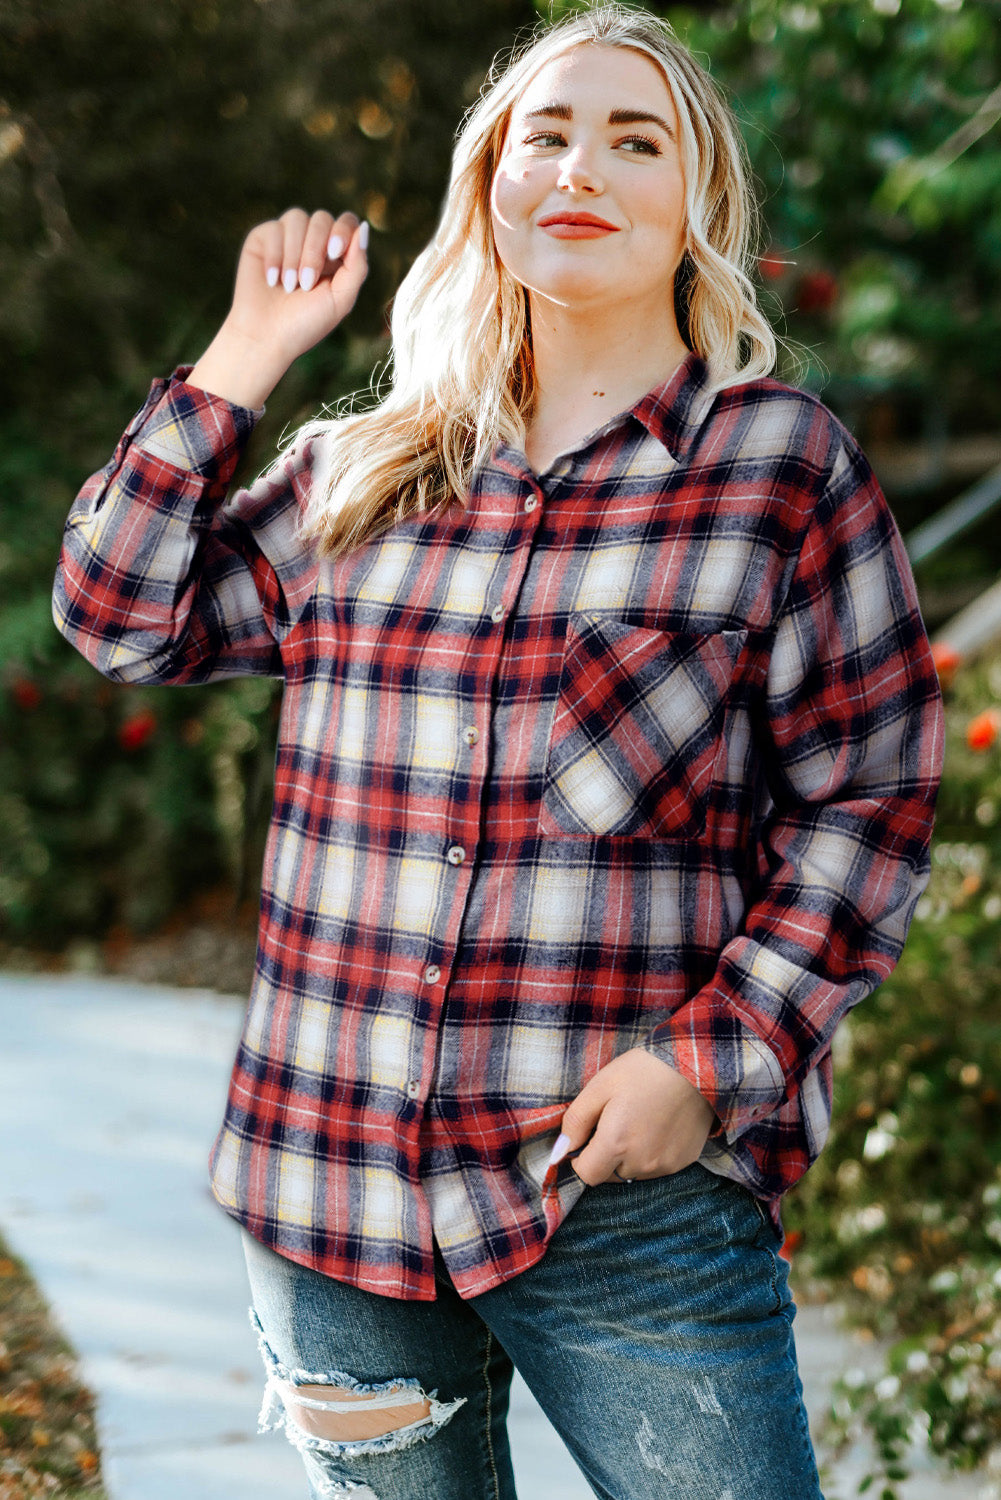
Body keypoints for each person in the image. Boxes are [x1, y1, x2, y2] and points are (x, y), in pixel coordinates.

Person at [53, 4, 944, 1497]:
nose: (579, 165)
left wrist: (706, 1060)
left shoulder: (775, 466)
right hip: (330, 1187)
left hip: (621, 1200)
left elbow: (869, 805)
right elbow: (120, 618)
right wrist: (248, 350)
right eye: (545, 134)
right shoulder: (364, 471)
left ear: (693, 206)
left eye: (631, 137)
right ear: (488, 186)